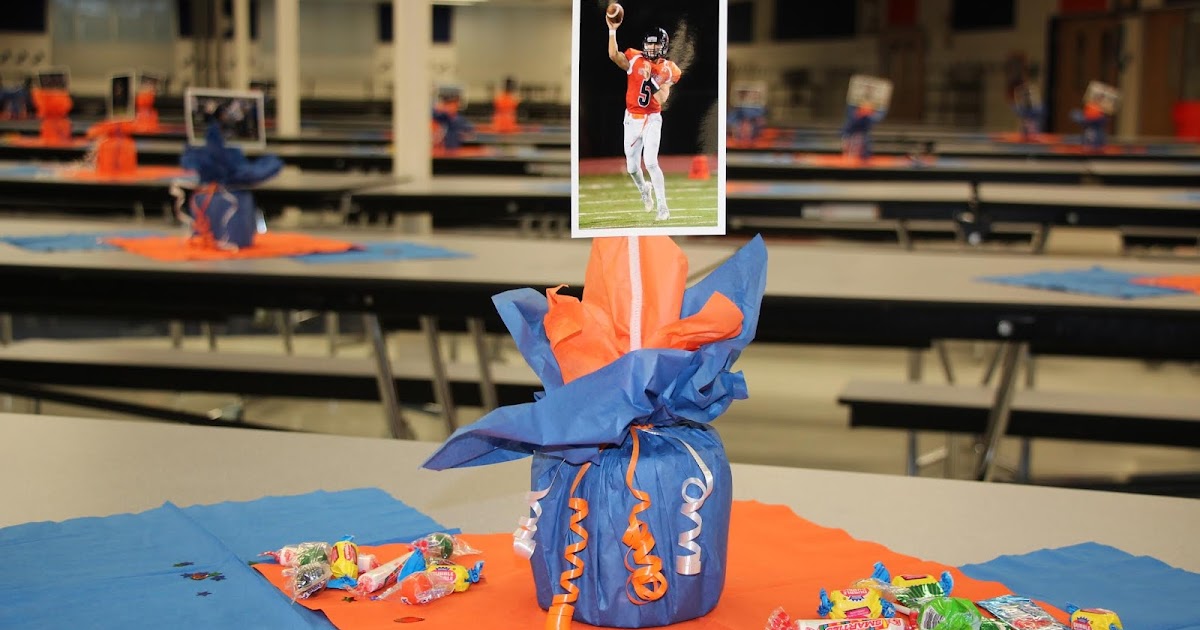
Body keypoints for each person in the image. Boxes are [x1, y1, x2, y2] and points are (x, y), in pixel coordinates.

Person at [608, 15, 681, 221]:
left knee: (650, 162)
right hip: (631, 118)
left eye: (655, 44)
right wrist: (612, 30)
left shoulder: (667, 69)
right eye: (648, 44)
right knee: (632, 167)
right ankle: (644, 190)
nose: (651, 48)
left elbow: (662, 99)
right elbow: (614, 54)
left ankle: (663, 207)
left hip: (652, 118)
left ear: (664, 46)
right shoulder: (634, 58)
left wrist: (650, 80)